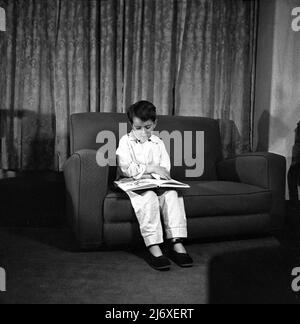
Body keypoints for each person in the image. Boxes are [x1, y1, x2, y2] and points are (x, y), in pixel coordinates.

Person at [116, 101, 193, 271]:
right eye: (138, 128)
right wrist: (151, 168)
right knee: (148, 196)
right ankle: (153, 246)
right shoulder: (125, 141)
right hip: (134, 185)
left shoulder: (158, 142)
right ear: (131, 124)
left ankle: (176, 243)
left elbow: (165, 170)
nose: (143, 132)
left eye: (148, 127)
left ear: (155, 123)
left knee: (172, 194)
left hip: (157, 183)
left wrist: (148, 172)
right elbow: (126, 168)